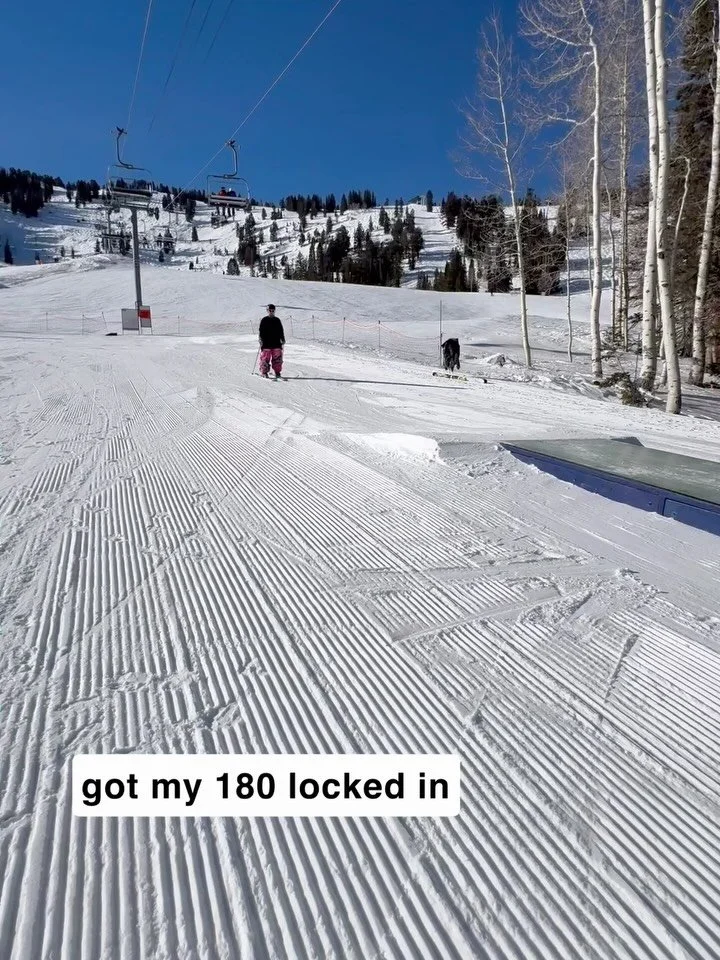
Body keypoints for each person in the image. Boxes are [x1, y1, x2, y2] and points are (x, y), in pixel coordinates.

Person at [258, 304, 285, 378]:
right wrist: (260, 339)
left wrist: (282, 338)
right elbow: (261, 331)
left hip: (276, 342)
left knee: (277, 358)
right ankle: (264, 372)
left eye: (273, 310)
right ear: (267, 311)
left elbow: (281, 330)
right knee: (265, 357)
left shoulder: (277, 320)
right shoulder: (264, 320)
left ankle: (277, 372)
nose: (271, 312)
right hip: (266, 342)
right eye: (270, 310)